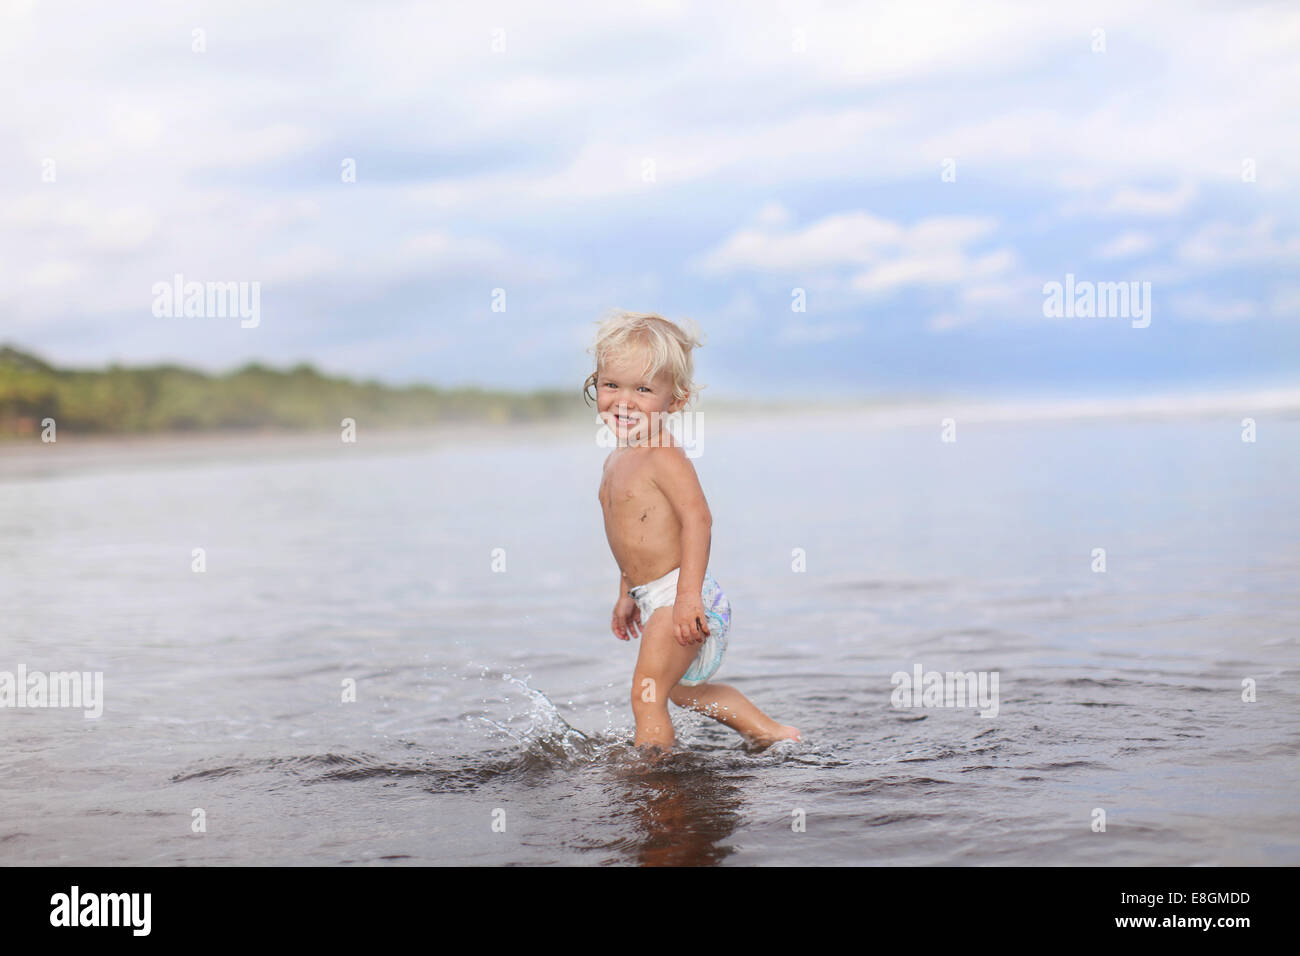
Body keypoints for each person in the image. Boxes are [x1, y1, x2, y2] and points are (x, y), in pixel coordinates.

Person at [585, 309, 801, 751]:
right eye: (612, 385)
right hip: (656, 595)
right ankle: (768, 732)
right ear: (596, 384)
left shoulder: (663, 454)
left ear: (676, 400)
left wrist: (686, 599)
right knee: (678, 692)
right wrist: (627, 592)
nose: (624, 402)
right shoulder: (617, 458)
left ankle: (656, 787)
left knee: (646, 695)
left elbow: (698, 520)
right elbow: (635, 539)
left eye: (642, 390)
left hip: (684, 595)